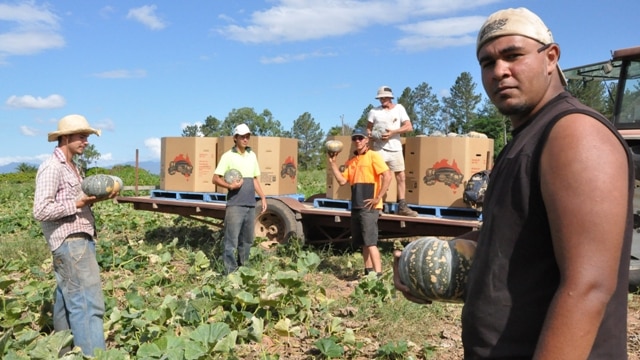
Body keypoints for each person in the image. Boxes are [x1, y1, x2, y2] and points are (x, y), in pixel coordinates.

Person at [393, 7, 633, 359]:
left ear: (551, 57)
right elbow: (516, 239)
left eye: (513, 55)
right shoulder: (526, 138)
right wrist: (428, 264)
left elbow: (589, 288)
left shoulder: (574, 134)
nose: (499, 71)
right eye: (487, 62)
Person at [33, 114, 117, 356]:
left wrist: (93, 199)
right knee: (88, 304)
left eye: (87, 137)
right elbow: (40, 210)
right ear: (65, 138)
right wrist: (78, 203)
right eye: (82, 136)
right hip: (71, 243)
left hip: (78, 240)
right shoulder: (52, 167)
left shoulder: (73, 167)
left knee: (65, 301)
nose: (86, 141)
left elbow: (76, 200)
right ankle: (91, 354)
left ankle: (64, 352)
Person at [328, 128, 392, 277]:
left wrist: (378, 197)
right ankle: (368, 272)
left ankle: (378, 274)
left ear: (366, 140)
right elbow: (342, 181)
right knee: (363, 242)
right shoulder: (351, 161)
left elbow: (387, 176)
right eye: (354, 138)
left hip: (370, 206)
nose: (357, 141)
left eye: (360, 138)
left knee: (371, 242)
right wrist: (333, 164)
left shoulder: (373, 156)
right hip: (356, 205)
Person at [213, 123, 267, 274]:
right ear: (235, 138)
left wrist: (262, 197)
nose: (245, 139)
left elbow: (255, 179)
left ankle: (244, 270)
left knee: (247, 240)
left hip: (250, 203)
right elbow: (215, 178)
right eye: (242, 136)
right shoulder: (228, 156)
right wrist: (230, 187)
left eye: (247, 136)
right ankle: (230, 273)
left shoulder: (252, 155)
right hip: (235, 205)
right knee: (231, 241)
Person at [367, 85, 418, 217]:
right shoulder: (374, 111)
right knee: (379, 176)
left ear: (390, 98)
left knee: (401, 176)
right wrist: (372, 135)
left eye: (384, 97)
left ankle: (402, 206)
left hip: (395, 147)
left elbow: (409, 127)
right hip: (379, 148)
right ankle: (378, 206)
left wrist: (393, 132)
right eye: (380, 98)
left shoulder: (399, 109)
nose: (382, 100)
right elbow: (368, 129)